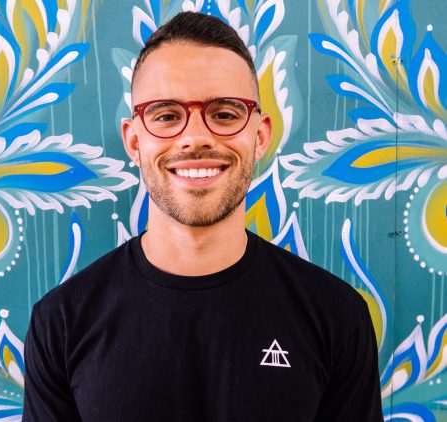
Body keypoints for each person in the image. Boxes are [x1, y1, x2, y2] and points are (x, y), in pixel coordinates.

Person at [23, 11, 384, 422]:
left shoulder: (336, 315)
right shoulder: (62, 322)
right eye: (166, 115)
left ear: (260, 136)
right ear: (133, 141)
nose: (195, 137)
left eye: (225, 113)